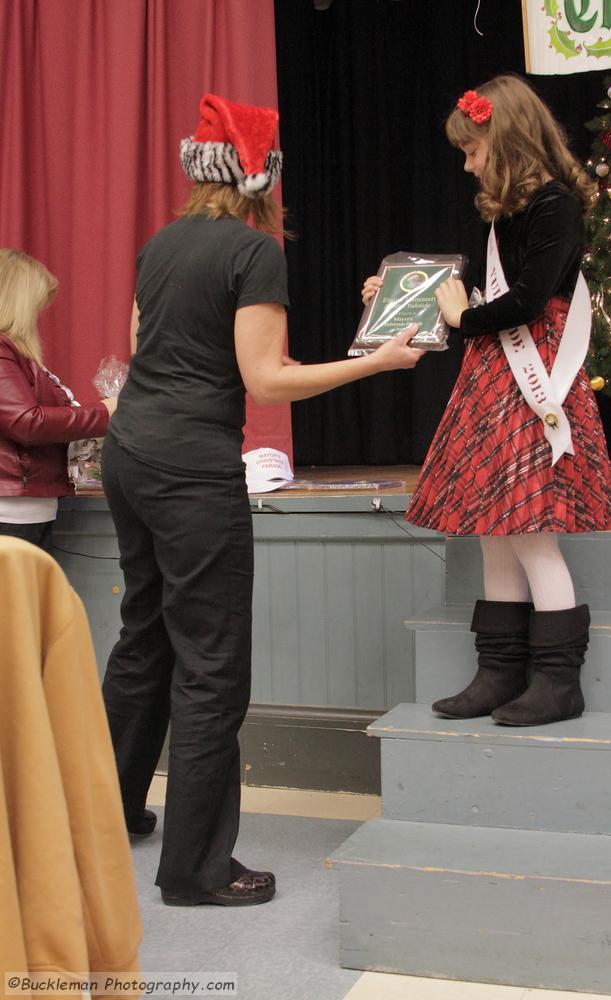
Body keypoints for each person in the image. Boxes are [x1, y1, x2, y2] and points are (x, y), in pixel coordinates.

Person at [101, 92, 424, 908]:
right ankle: (198, 871)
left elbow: (144, 352)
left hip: (131, 452)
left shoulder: (159, 245)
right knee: (210, 667)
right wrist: (376, 363)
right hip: (189, 469)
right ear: (262, 177)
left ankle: (107, 814)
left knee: (144, 637)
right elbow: (266, 379)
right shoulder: (254, 252)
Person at [363, 74, 611, 729]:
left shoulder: (554, 204)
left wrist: (454, 311)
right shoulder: (508, 211)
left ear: (502, 141)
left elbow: (524, 303)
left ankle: (558, 683)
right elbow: (477, 299)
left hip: (532, 371)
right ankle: (499, 672)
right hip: (496, 370)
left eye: (472, 147)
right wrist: (402, 297)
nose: (466, 160)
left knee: (531, 532)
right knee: (492, 530)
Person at [0, 249, 116, 551]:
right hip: (11, 512)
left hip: (27, 507)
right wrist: (104, 413)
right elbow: (26, 422)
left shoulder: (17, 355)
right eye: (36, 306)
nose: (38, 316)